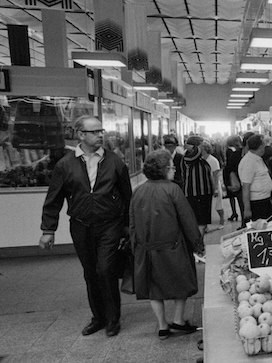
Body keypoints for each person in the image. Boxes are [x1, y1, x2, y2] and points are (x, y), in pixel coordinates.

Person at [39, 115, 132, 337]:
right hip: (81, 226)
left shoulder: (114, 162)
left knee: (105, 269)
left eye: (102, 131)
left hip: (110, 224)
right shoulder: (65, 164)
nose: (101, 134)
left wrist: (128, 226)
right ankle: (98, 317)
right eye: (94, 131)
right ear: (81, 135)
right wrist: (48, 230)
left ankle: (112, 319)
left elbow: (127, 196)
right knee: (90, 272)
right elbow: (54, 197)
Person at [129, 149, 204, 339]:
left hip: (146, 248)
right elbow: (187, 219)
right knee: (181, 283)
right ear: (162, 169)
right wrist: (197, 243)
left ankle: (162, 326)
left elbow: (132, 223)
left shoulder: (138, 190)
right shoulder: (173, 189)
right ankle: (178, 320)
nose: (175, 170)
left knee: (154, 289)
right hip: (173, 247)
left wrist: (135, 247)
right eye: (171, 167)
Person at [182, 135, 215, 237]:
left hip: (204, 194)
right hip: (195, 194)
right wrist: (193, 147)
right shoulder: (188, 157)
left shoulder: (201, 160)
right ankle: (198, 244)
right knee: (199, 222)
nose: (203, 147)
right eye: (201, 145)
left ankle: (199, 242)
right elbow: (195, 154)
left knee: (203, 222)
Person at [238, 134, 272, 222]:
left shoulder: (258, 158)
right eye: (264, 145)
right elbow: (245, 187)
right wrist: (247, 209)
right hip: (257, 203)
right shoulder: (249, 162)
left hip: (264, 199)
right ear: (261, 146)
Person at [201, 140, 225, 228]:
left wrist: (215, 188)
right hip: (205, 184)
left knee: (218, 204)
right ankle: (205, 224)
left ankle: (222, 220)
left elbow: (216, 176)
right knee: (206, 206)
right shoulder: (201, 159)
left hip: (214, 184)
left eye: (202, 149)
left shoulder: (213, 160)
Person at [223, 135, 243, 221]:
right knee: (239, 198)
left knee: (232, 196)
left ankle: (234, 212)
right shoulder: (241, 151)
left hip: (231, 175)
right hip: (237, 175)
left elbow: (228, 164)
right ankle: (237, 214)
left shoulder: (229, 150)